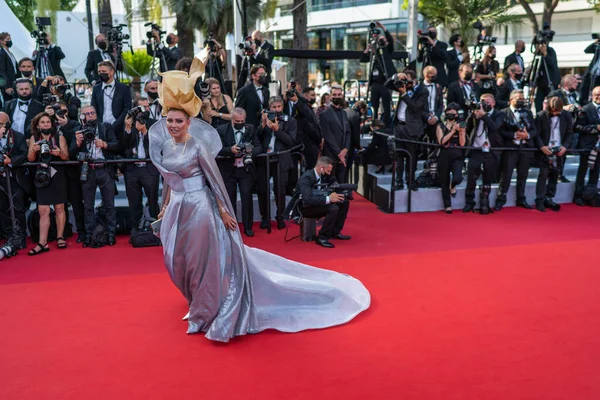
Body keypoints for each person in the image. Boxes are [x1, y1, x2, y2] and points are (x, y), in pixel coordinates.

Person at [148, 67, 369, 342]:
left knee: (202, 260)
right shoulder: (165, 146)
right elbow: (168, 178)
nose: (173, 125)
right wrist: (165, 204)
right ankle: (196, 300)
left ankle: (206, 310)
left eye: (179, 121)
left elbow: (215, 182)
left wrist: (224, 212)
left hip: (200, 208)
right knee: (179, 259)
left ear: (189, 122)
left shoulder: (197, 147)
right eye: (170, 120)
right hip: (177, 209)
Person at [69, 105, 120, 247]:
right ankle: (89, 236)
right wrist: (78, 143)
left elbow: (117, 145)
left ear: (96, 114)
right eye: (86, 114)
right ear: (81, 116)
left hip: (104, 169)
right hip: (87, 169)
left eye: (92, 113)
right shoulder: (78, 130)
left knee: (109, 204)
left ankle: (111, 235)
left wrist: (104, 144)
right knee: (88, 206)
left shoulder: (105, 127)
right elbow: (71, 153)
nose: (90, 116)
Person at [27, 112, 69, 254]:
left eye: (48, 122)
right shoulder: (34, 138)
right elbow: (30, 159)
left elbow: (66, 157)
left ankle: (60, 237)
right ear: (38, 126)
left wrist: (58, 153)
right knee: (43, 210)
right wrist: (34, 150)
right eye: (43, 122)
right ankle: (42, 242)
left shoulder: (59, 137)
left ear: (52, 124)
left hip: (57, 174)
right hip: (42, 176)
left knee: (59, 208)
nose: (46, 124)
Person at [216, 108, 262, 237]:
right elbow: (216, 149)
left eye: (242, 121)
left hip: (245, 169)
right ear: (231, 119)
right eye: (237, 121)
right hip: (228, 169)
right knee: (230, 199)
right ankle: (232, 226)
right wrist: (230, 150)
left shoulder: (251, 129)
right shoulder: (222, 130)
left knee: (247, 197)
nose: (240, 123)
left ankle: (248, 227)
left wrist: (250, 152)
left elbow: (259, 146)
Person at [257, 97, 297, 230]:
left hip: (281, 159)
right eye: (274, 107)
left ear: (283, 107)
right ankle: (265, 218)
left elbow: (290, 141)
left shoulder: (290, 121)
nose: (276, 110)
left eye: (279, 107)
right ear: (269, 108)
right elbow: (257, 138)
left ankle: (280, 217)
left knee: (280, 190)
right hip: (265, 158)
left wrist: (277, 130)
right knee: (263, 189)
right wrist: (263, 125)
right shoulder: (265, 119)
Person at [494, 89, 538, 211]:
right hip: (510, 148)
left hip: (525, 148)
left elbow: (535, 129)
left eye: (522, 99)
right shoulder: (503, 113)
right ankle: (501, 198)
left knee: (523, 175)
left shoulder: (528, 113)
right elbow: (499, 131)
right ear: (511, 100)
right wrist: (514, 135)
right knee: (506, 174)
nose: (521, 101)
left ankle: (521, 198)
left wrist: (527, 135)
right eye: (519, 99)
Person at [385, 70, 428, 190]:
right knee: (398, 156)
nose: (406, 84)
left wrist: (404, 94)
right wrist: (395, 76)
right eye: (405, 81)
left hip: (412, 128)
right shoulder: (401, 85)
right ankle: (398, 181)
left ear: (414, 81)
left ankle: (410, 181)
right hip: (399, 126)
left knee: (411, 157)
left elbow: (415, 107)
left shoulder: (422, 91)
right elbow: (387, 85)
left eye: (408, 81)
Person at [296, 156, 351, 249]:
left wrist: (339, 194)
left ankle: (335, 231)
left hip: (318, 202)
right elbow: (308, 199)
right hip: (306, 207)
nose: (329, 173)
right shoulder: (306, 178)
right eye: (328, 171)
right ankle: (322, 237)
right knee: (333, 208)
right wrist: (329, 198)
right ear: (321, 168)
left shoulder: (324, 175)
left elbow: (334, 184)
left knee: (343, 202)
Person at [463, 94, 505, 214]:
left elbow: (494, 127)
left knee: (488, 177)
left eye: (487, 102)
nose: (484, 104)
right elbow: (467, 127)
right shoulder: (476, 112)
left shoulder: (499, 114)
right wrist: (473, 115)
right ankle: (469, 202)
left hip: (491, 151)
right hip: (476, 149)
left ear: (493, 103)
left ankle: (484, 202)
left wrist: (484, 115)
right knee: (471, 177)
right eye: (482, 101)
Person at [122, 109, 160, 228]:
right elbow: (124, 145)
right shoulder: (130, 124)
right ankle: (136, 230)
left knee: (153, 201)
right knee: (134, 202)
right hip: (132, 169)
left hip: (149, 169)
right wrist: (128, 129)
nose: (141, 117)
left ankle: (156, 230)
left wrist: (144, 131)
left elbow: (157, 145)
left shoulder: (153, 124)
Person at [54, 102, 86, 242]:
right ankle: (64, 231)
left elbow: (73, 150)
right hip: (55, 170)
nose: (60, 114)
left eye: (63, 111)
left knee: (76, 202)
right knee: (59, 203)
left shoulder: (75, 125)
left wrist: (65, 125)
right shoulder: (47, 123)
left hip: (72, 170)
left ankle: (81, 231)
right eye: (57, 111)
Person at [534, 97, 572, 212]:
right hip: (545, 149)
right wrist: (542, 146)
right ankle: (539, 200)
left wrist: (565, 146)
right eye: (553, 111)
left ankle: (549, 197)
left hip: (560, 149)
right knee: (543, 175)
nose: (555, 113)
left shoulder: (566, 115)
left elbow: (570, 133)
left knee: (555, 174)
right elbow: (536, 133)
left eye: (557, 111)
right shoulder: (541, 115)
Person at [0, 112, 29, 249]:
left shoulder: (18, 136)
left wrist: (10, 161)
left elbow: (24, 155)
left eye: (2, 124)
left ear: (8, 123)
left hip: (15, 178)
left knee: (18, 208)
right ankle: (8, 237)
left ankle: (20, 237)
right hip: (0, 180)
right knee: (2, 208)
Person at [360, 21, 396, 125]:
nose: (381, 41)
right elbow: (362, 59)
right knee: (374, 106)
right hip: (375, 84)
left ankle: (388, 125)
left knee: (386, 106)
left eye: (382, 40)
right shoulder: (374, 53)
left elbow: (390, 39)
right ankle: (374, 124)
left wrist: (382, 27)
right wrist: (368, 48)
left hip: (386, 83)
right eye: (379, 40)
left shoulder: (388, 51)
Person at [572, 86, 600, 206]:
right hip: (587, 146)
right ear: (592, 95)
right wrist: (595, 128)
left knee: (595, 171)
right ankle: (578, 195)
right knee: (582, 171)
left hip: (598, 147)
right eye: (597, 95)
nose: (599, 97)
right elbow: (577, 127)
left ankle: (591, 195)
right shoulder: (585, 109)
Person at [436, 103, 466, 213]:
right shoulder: (440, 125)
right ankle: (447, 205)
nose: (451, 114)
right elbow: (441, 141)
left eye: (453, 113)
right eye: (449, 112)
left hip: (457, 154)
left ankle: (452, 185)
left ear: (457, 115)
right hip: (444, 154)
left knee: (458, 177)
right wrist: (453, 131)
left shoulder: (461, 125)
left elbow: (462, 144)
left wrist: (461, 132)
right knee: (444, 180)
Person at [91, 60, 132, 137]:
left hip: (119, 128)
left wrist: (116, 124)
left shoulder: (124, 88)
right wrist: (100, 124)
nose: (100, 73)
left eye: (103, 71)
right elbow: (93, 107)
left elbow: (127, 108)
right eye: (99, 72)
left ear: (112, 72)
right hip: (101, 128)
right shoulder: (96, 89)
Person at [319, 84, 351, 184]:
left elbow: (348, 132)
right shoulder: (324, 114)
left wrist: (345, 149)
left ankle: (341, 199)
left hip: (343, 153)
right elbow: (328, 136)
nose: (337, 96)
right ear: (331, 96)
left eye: (339, 94)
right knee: (330, 182)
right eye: (334, 94)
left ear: (342, 96)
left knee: (341, 181)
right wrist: (339, 153)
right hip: (331, 154)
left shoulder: (344, 113)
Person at [422, 66, 444, 143]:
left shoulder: (438, 87)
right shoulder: (419, 87)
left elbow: (441, 105)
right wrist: (427, 117)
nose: (435, 76)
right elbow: (417, 106)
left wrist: (436, 117)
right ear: (427, 74)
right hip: (422, 120)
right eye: (433, 74)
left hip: (436, 120)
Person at [580, 36, 600, 105]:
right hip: (590, 75)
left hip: (598, 78)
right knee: (584, 92)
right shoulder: (598, 48)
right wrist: (596, 42)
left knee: (597, 94)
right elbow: (587, 50)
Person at [0, 32, 18, 99]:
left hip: (14, 81)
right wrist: (6, 86)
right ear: (1, 41)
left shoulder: (11, 53)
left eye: (10, 39)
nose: (10, 40)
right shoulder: (1, 53)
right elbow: (2, 71)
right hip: (8, 84)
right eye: (7, 39)